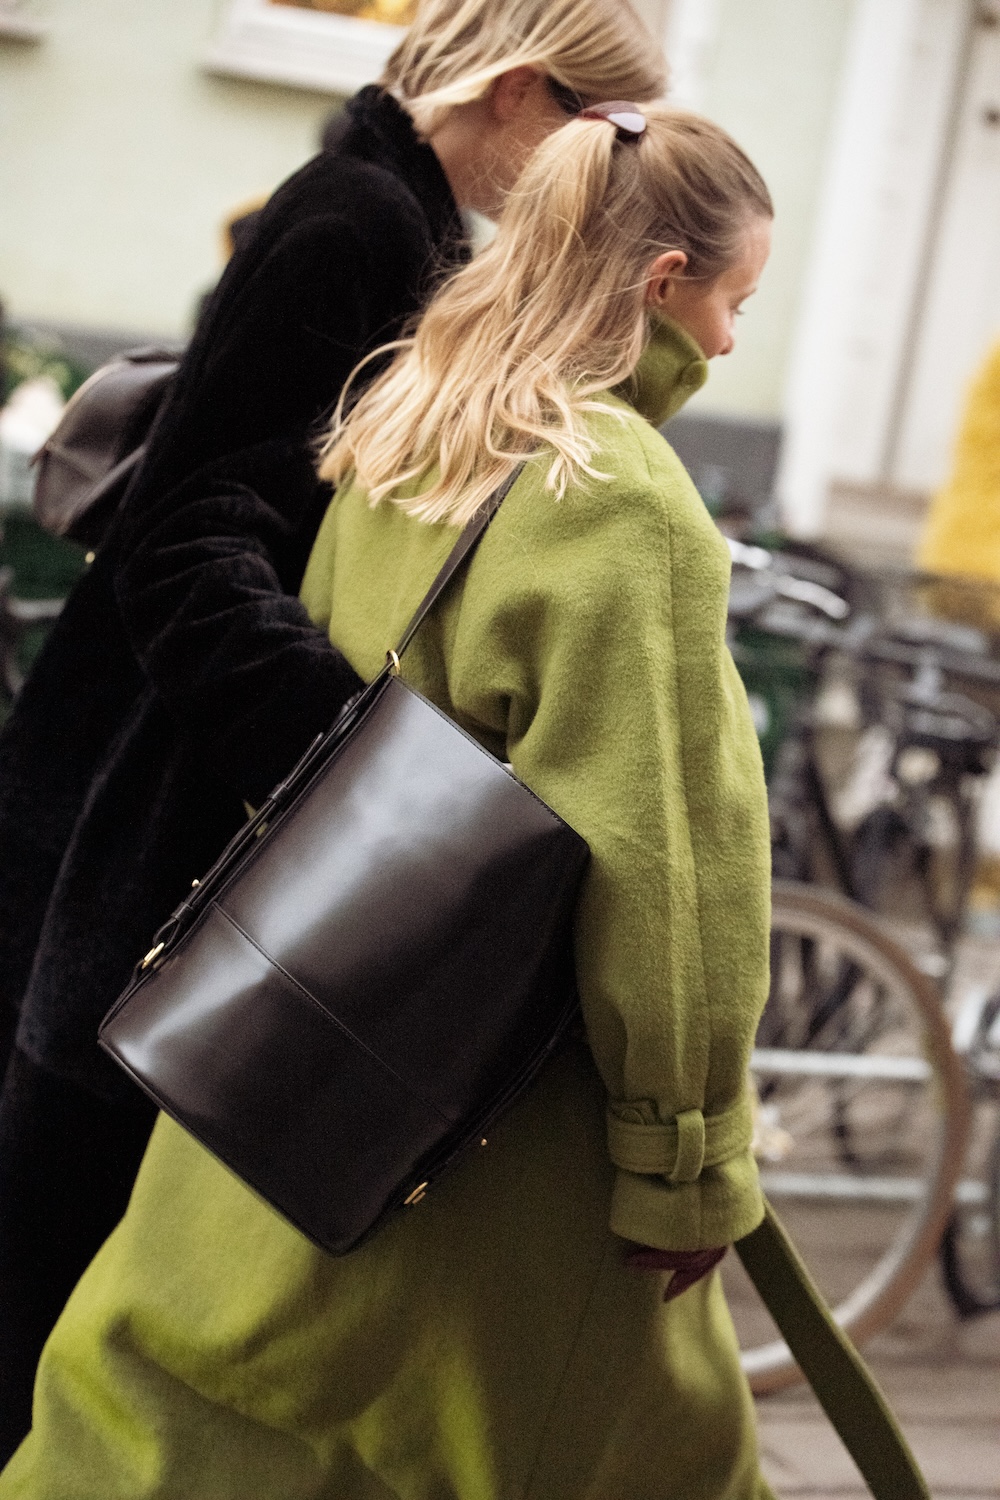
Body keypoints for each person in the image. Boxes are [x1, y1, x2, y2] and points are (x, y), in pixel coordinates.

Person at [1, 103, 775, 1499]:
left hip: (288, 1083)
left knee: (169, 1434)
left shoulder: (405, 421)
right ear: (664, 283)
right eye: (735, 301)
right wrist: (687, 1166)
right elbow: (667, 882)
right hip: (502, 1141)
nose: (728, 344)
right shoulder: (625, 501)